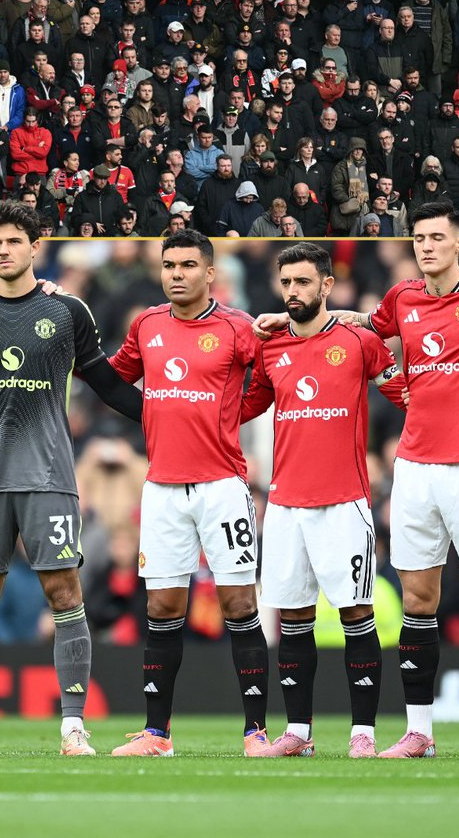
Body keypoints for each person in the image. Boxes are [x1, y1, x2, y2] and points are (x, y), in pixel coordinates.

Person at [257, 200, 459, 758]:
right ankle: (419, 732)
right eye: (419, 238)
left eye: (438, 237)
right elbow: (367, 327)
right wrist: (285, 318)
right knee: (417, 599)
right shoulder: (402, 298)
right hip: (412, 468)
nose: (427, 246)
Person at [0, 202, 143, 756]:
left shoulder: (69, 312)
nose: (3, 251)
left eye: (14, 241)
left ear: (36, 247)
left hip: (50, 475)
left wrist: (168, 414)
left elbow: (108, 385)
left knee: (64, 592)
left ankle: (73, 728)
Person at [108, 231, 272, 757]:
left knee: (239, 601)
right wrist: (153, 416)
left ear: (210, 272)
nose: (176, 274)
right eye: (168, 265)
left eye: (187, 265)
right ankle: (157, 734)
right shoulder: (148, 324)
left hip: (222, 485)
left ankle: (255, 732)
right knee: (161, 604)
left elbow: (271, 379)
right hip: (161, 488)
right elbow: (116, 380)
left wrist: (230, 416)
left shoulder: (238, 328)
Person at [241, 243, 405, 757]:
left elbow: (403, 393)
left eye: (303, 282)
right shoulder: (270, 348)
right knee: (292, 618)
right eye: (286, 282)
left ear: (326, 285)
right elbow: (243, 406)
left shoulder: (359, 341)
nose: (293, 291)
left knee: (356, 614)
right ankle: (299, 735)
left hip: (344, 501)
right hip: (286, 504)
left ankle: (363, 735)